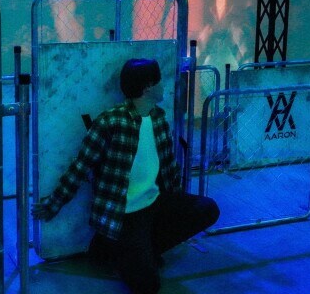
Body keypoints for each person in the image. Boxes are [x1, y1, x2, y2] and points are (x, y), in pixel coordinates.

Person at [32, 58, 219, 294]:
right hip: (124, 213)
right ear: (148, 87)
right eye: (159, 81)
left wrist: (177, 201)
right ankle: (115, 248)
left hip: (154, 202)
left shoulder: (158, 118)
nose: (164, 86)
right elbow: (80, 167)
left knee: (207, 209)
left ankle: (138, 251)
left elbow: (169, 167)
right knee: (148, 285)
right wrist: (52, 204)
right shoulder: (111, 122)